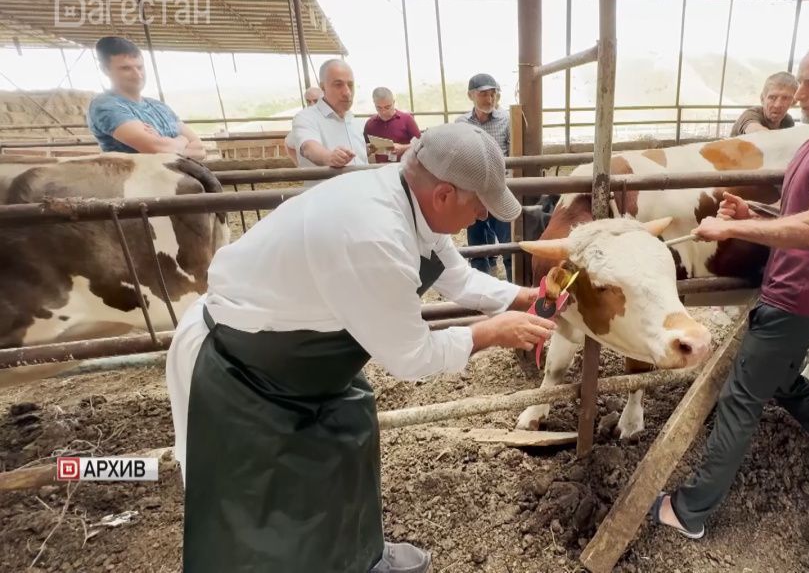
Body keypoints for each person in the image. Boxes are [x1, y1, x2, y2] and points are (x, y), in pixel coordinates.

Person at [165, 122, 556, 573]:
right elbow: (411, 357)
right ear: (445, 194)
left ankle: (357, 556)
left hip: (307, 358)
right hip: (250, 367)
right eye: (480, 206)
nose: (483, 218)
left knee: (348, 437)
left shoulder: (409, 199)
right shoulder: (373, 234)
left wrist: (516, 297)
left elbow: (456, 275)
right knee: (265, 499)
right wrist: (489, 332)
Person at [651, 38, 809, 540]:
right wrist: (756, 214)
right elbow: (802, 217)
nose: (799, 96)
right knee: (786, 384)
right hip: (799, 292)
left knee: (740, 398)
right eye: (799, 83)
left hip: (795, 297)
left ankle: (691, 510)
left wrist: (732, 231)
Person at [86, 36, 205, 160]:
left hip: (185, 177)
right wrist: (182, 140)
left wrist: (169, 145)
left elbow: (201, 150)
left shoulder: (159, 106)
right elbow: (158, 150)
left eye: (140, 67)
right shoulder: (106, 106)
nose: (137, 75)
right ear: (105, 70)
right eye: (126, 68)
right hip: (140, 178)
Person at [456, 73, 512, 278]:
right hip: (472, 191)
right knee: (476, 239)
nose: (489, 100)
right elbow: (458, 156)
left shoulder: (506, 120)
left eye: (492, 94)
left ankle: (515, 287)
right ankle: (482, 284)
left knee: (508, 241)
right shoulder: (461, 123)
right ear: (471, 95)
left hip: (499, 189)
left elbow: (514, 154)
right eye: (483, 95)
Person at [287, 59, 368, 171]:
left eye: (350, 85)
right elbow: (308, 148)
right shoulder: (305, 118)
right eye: (338, 85)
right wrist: (328, 157)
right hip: (329, 188)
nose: (347, 92)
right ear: (323, 86)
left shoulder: (354, 120)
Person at [729, 72, 798, 137]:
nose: (777, 105)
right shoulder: (751, 114)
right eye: (772, 98)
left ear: (793, 102)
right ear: (762, 99)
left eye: (785, 98)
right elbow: (755, 130)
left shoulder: (788, 121)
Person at [364, 87, 421, 163]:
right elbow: (363, 148)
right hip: (381, 168)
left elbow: (421, 144)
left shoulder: (407, 119)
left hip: (405, 168)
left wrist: (403, 148)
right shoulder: (370, 124)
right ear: (374, 103)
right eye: (379, 108)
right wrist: (368, 150)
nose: (383, 111)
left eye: (387, 107)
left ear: (393, 102)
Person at [284, 87, 326, 164]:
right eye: (309, 102)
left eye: (316, 101)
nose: (312, 105)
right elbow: (288, 144)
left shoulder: (332, 119)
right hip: (312, 173)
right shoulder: (302, 122)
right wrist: (299, 166)